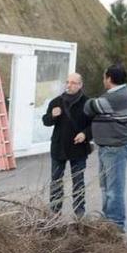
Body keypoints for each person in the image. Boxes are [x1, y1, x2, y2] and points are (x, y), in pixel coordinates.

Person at [83, 64, 127, 230]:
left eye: (104, 77)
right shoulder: (117, 94)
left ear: (110, 78)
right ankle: (108, 221)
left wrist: (92, 103)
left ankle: (116, 225)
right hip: (110, 147)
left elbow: (89, 107)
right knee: (106, 187)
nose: (103, 80)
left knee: (114, 189)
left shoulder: (117, 96)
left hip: (115, 148)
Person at [41, 73, 91, 217]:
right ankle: (55, 212)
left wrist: (85, 134)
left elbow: (94, 124)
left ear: (80, 85)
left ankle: (79, 212)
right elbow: (46, 121)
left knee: (78, 181)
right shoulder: (56, 101)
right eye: (67, 82)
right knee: (56, 181)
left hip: (78, 148)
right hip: (59, 147)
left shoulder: (87, 103)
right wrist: (52, 116)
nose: (69, 85)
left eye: (73, 83)